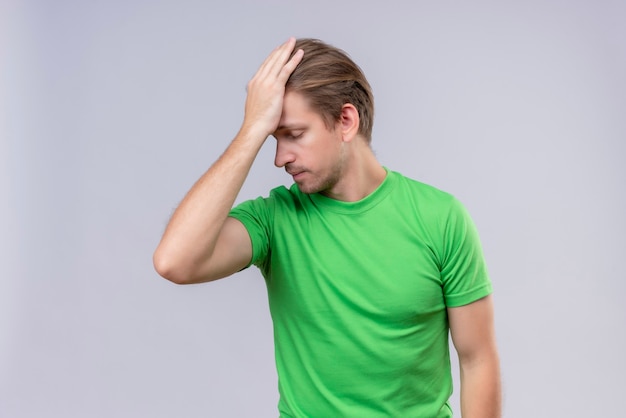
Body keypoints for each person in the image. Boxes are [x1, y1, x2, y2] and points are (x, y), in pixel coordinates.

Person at [153, 37, 501, 417]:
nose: (280, 157)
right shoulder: (273, 220)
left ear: (345, 121)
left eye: (294, 134)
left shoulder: (441, 218)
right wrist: (250, 130)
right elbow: (175, 261)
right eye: (272, 138)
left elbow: (477, 359)